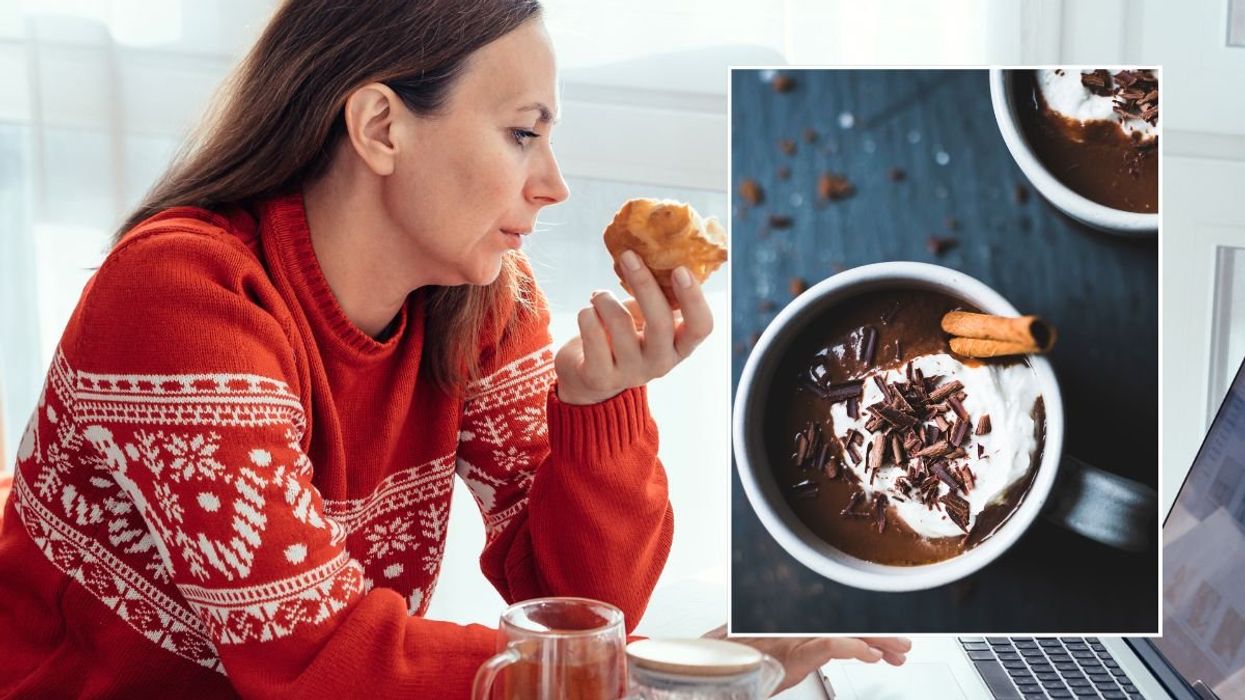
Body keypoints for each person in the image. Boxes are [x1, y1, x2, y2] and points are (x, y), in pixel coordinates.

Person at [0, 0, 907, 696]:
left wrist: (599, 407)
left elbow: (582, 614)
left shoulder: (482, 300)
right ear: (382, 127)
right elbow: (320, 661)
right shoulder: (182, 297)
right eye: (523, 133)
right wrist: (699, 675)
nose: (552, 185)